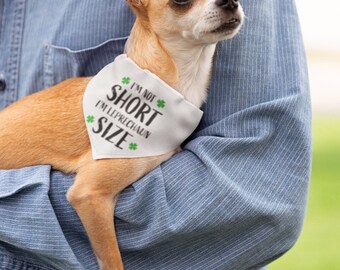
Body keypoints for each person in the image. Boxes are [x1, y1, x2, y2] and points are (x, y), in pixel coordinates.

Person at [0, 0, 311, 269]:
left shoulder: (151, 119)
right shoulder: (137, 129)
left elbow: (262, 203)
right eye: (182, 1)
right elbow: (89, 194)